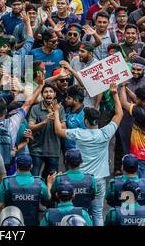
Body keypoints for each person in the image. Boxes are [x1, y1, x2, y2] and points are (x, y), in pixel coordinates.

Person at [53, 82, 123, 226]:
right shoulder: (105, 133)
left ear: (85, 121)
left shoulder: (79, 133)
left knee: (77, 209)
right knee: (97, 212)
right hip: (99, 180)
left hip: (80, 179)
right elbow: (119, 113)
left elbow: (59, 131)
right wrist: (115, 94)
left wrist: (55, 112)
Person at [0, 154, 53, 226]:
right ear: (31, 166)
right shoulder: (40, 183)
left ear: (16, 166)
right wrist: (49, 184)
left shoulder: (6, 182)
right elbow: (46, 201)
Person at [29, 83, 66, 176]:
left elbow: (64, 127)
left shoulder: (59, 108)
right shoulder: (35, 108)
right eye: (46, 92)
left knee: (51, 179)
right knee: (34, 177)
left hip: (54, 151)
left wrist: (55, 118)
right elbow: (30, 126)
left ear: (55, 94)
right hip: (37, 150)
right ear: (42, 94)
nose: (48, 94)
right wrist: (44, 122)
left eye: (51, 92)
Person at [51, 149, 97, 215]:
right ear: (81, 162)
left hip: (64, 217)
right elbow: (92, 196)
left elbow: (53, 196)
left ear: (66, 162)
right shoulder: (90, 178)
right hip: (85, 218)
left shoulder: (59, 179)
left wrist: (50, 183)